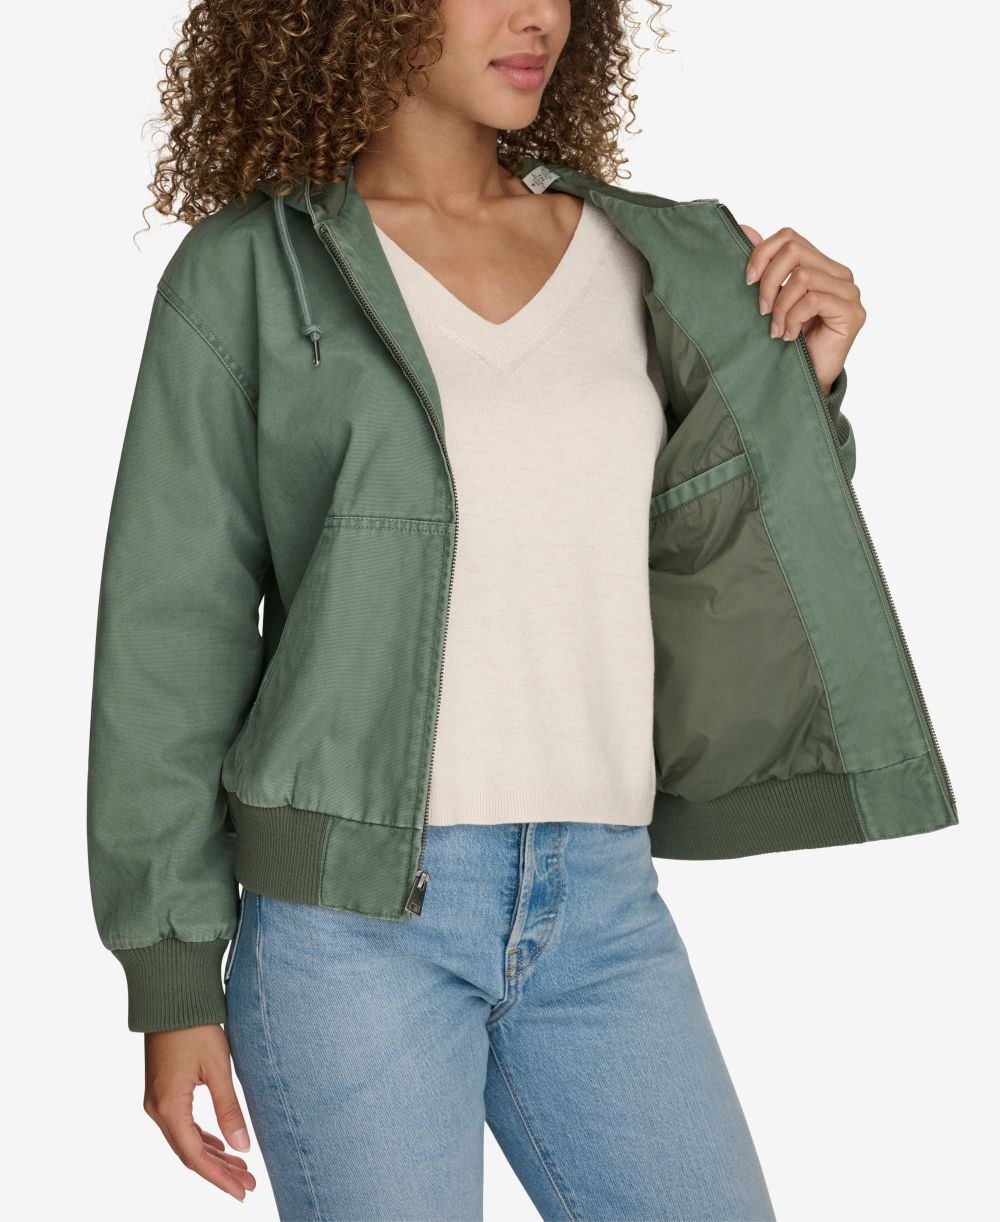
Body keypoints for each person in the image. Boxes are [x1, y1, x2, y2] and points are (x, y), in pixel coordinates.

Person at [86, 1, 958, 1218]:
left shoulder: (659, 257)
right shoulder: (253, 271)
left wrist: (791, 398)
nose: (536, 13)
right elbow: (170, 632)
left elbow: (694, 563)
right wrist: (173, 978)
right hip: (347, 926)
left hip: (599, 903)